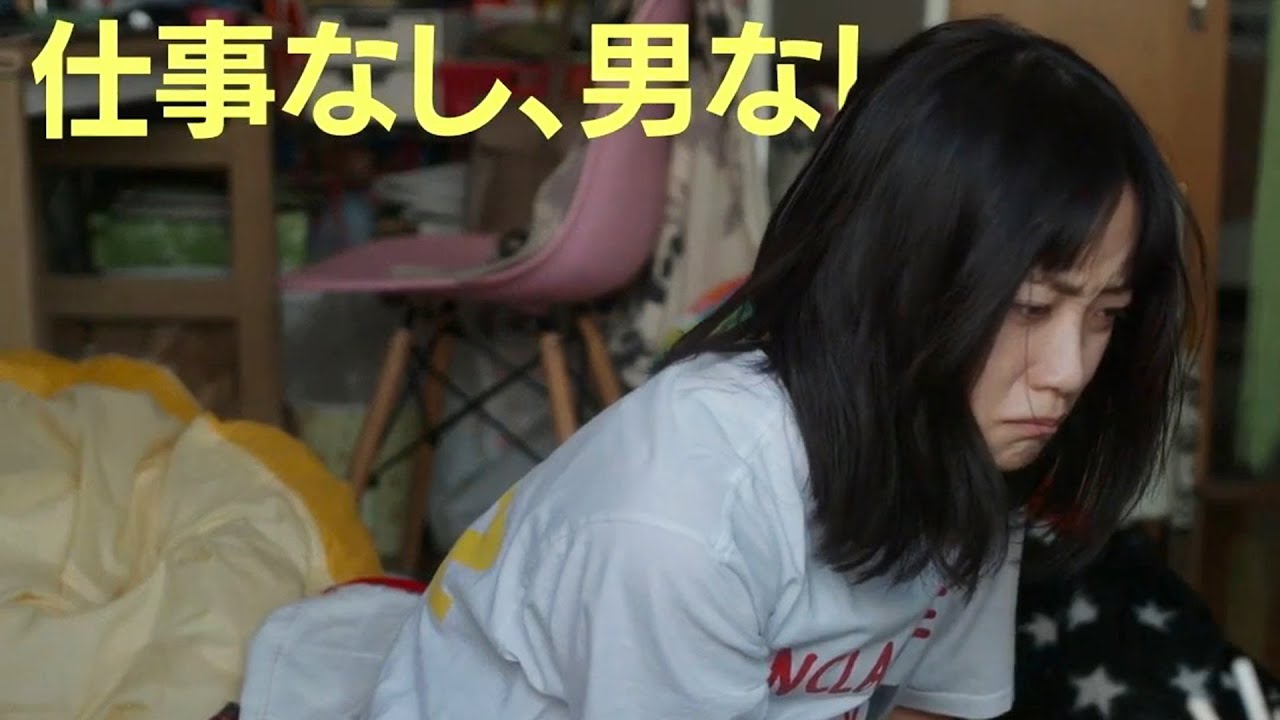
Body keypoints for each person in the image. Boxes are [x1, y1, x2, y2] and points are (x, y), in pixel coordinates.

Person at [367, 17, 1197, 720]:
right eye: (1030, 308)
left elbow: (935, 707)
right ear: (897, 275)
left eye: (1105, 315)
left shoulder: (976, 439)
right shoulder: (684, 519)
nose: (1067, 373)